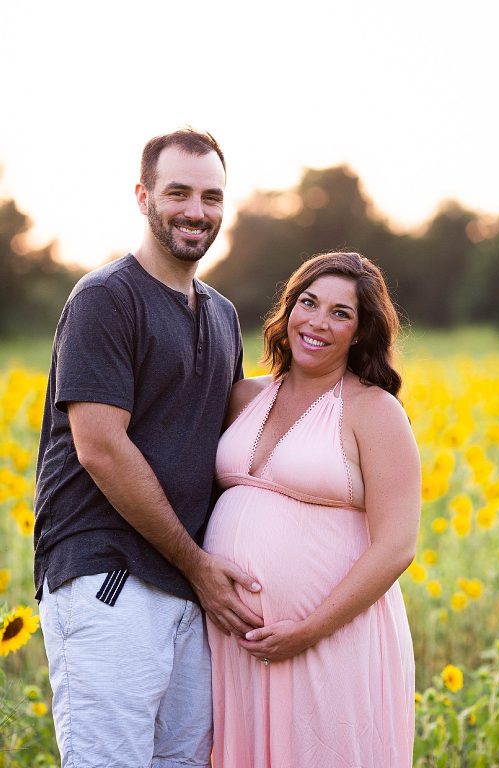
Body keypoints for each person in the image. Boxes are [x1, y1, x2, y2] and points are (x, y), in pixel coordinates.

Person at [33, 129, 263, 767]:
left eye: (212, 196)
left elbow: (232, 429)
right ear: (143, 197)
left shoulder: (220, 314)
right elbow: (100, 448)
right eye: (178, 193)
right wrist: (197, 563)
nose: (197, 210)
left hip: (187, 590)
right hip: (109, 575)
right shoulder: (107, 299)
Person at [203, 251, 419, 767]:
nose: (318, 322)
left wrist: (307, 630)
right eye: (309, 302)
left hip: (329, 642)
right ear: (289, 308)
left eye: (341, 313)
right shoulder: (243, 397)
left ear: (362, 331)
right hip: (236, 643)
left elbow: (396, 547)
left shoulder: (374, 410)